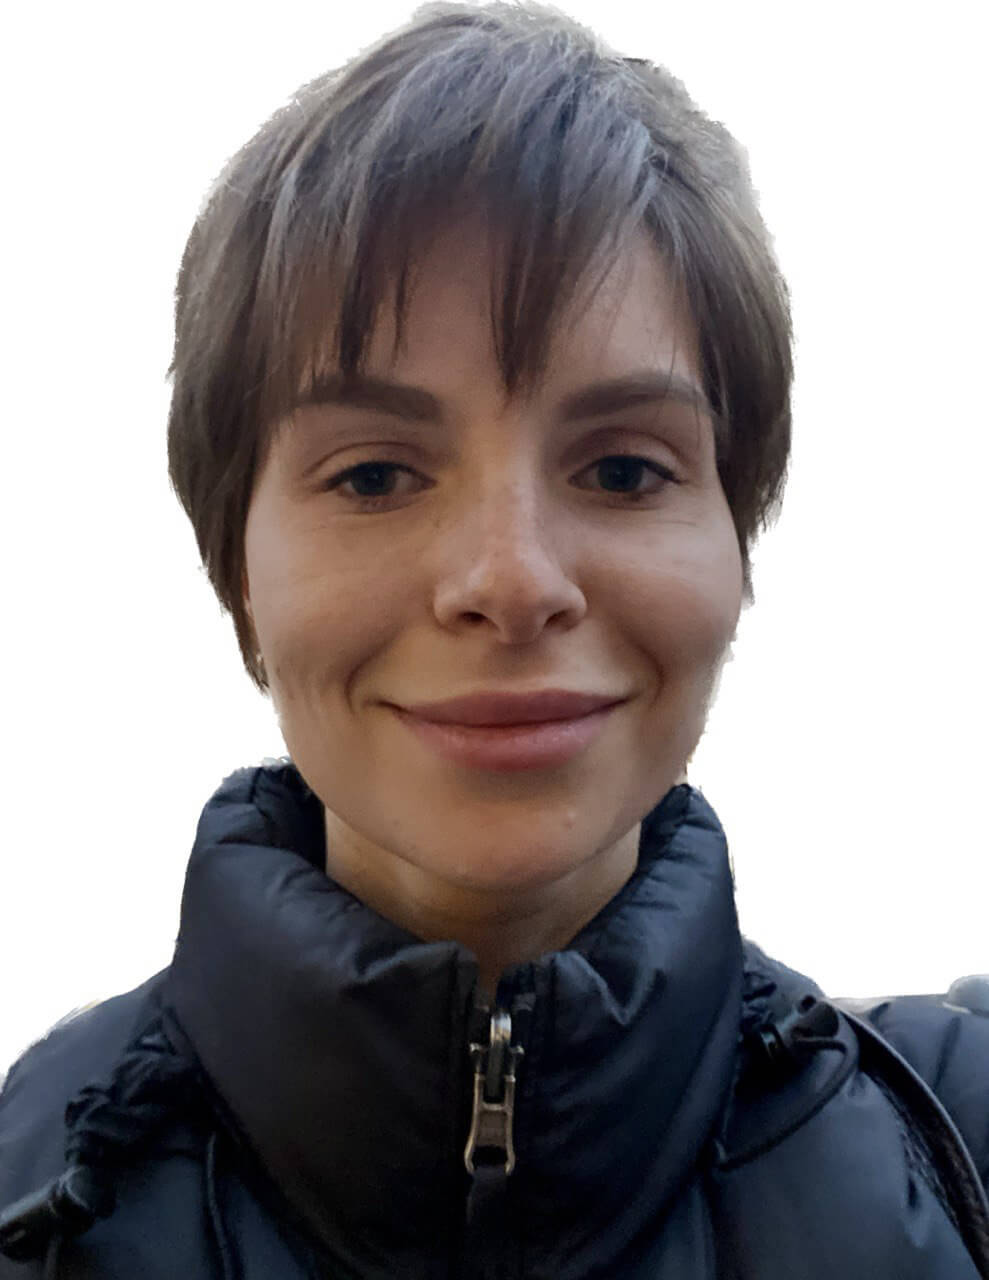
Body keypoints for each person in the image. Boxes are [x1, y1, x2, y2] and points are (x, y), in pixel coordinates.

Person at [1, 3, 987, 1276]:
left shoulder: (951, 1137)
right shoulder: (33, 1192)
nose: (511, 581)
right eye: (372, 476)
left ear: (736, 540)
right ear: (234, 562)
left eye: (623, 469)